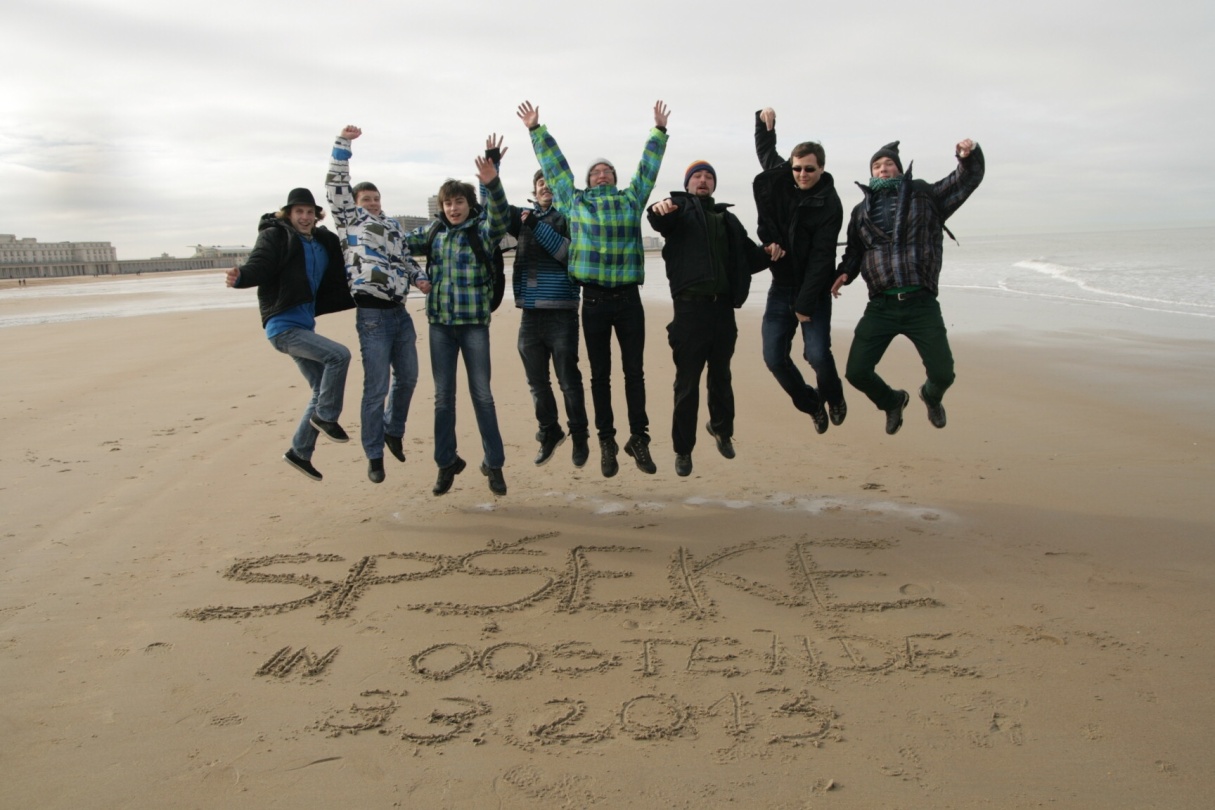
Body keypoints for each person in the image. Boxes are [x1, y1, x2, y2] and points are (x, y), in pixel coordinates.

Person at [518, 99, 669, 478]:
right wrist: (536, 130)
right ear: (587, 181)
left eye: (607, 171)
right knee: (600, 375)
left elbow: (647, 170)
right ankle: (606, 441)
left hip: (629, 301)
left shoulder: (631, 200)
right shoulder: (575, 202)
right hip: (595, 302)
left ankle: (639, 438)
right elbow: (556, 168)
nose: (602, 175)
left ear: (615, 179)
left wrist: (658, 132)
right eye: (596, 172)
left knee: (634, 373)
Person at [832, 138, 986, 434]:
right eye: (877, 165)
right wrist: (845, 273)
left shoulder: (924, 195)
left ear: (899, 169)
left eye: (889, 163)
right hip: (881, 306)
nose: (883, 169)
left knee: (943, 375)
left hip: (921, 303)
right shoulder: (860, 211)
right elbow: (854, 251)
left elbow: (965, 180)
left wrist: (968, 157)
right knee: (856, 372)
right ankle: (892, 401)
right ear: (871, 173)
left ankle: (931, 396)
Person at [647, 161, 769, 476]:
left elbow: (748, 258)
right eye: (697, 176)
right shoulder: (678, 210)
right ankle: (683, 450)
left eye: (708, 176)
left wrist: (770, 253)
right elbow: (659, 220)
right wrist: (659, 209)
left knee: (721, 377)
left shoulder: (728, 219)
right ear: (688, 183)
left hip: (723, 311)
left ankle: (721, 430)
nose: (703, 180)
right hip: (689, 311)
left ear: (714, 184)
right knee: (687, 384)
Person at [326, 125, 432, 484]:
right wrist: (343, 145)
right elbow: (336, 185)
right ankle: (374, 454)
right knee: (376, 388)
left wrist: (419, 278)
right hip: (371, 314)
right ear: (355, 203)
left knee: (409, 377)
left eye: (376, 198)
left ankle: (393, 430)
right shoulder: (350, 221)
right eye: (366, 199)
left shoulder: (393, 226)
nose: (372, 203)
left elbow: (405, 260)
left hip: (400, 313)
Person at [225, 188, 354, 481]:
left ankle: (300, 452)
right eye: (299, 212)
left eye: (310, 212)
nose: (305, 217)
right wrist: (241, 277)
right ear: (289, 214)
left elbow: (348, 258)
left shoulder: (322, 242)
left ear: (316, 216)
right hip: (283, 327)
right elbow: (261, 263)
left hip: (304, 326)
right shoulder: (277, 236)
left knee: (321, 388)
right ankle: (326, 417)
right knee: (339, 356)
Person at [404, 155, 510, 496]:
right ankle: (446, 462)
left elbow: (500, 215)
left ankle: (494, 464)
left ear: (468, 204)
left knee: (483, 396)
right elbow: (395, 245)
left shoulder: (482, 230)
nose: (453, 208)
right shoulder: (433, 232)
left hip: (474, 325)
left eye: (459, 202)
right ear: (442, 206)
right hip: (440, 327)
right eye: (448, 203)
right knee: (443, 399)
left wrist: (492, 182)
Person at [484, 135, 590, 468]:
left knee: (568, 381)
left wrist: (534, 224)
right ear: (534, 189)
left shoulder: (571, 216)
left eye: (550, 181)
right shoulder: (523, 217)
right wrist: (493, 171)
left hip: (562, 313)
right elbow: (493, 211)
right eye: (540, 182)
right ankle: (550, 430)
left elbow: (566, 255)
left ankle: (580, 435)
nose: (546, 186)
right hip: (530, 314)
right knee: (536, 383)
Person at [753, 107, 846, 435]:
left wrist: (805, 305)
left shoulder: (830, 204)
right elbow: (766, 154)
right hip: (781, 287)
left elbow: (822, 258)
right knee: (773, 358)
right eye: (797, 168)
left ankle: (834, 397)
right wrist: (764, 124)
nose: (802, 174)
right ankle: (811, 404)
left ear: (821, 168)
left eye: (809, 169)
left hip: (814, 290)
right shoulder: (783, 181)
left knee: (817, 355)